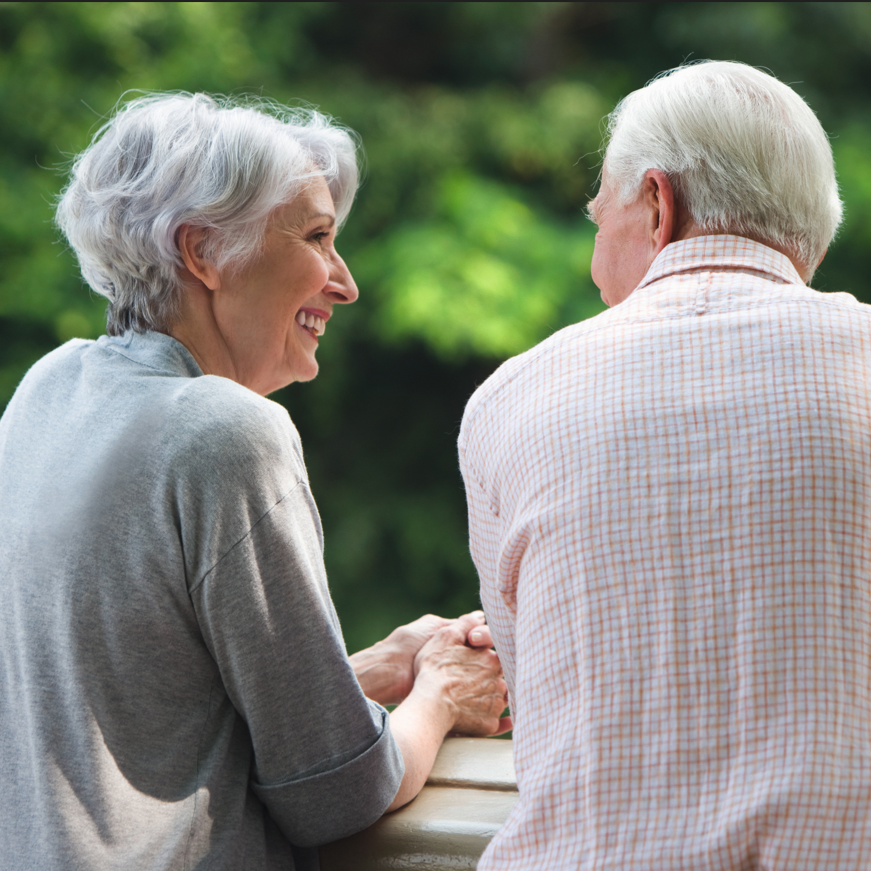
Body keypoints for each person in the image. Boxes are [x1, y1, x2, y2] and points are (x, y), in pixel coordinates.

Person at [0, 93, 509, 871]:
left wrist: (373, 666)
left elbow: (144, 714)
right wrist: (438, 693)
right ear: (203, 251)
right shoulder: (226, 431)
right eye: (317, 237)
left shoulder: (48, 389)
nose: (345, 283)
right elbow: (336, 793)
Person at [459, 60, 871, 869]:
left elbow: (531, 696)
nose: (592, 267)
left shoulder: (510, 398)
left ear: (657, 202)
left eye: (596, 221)